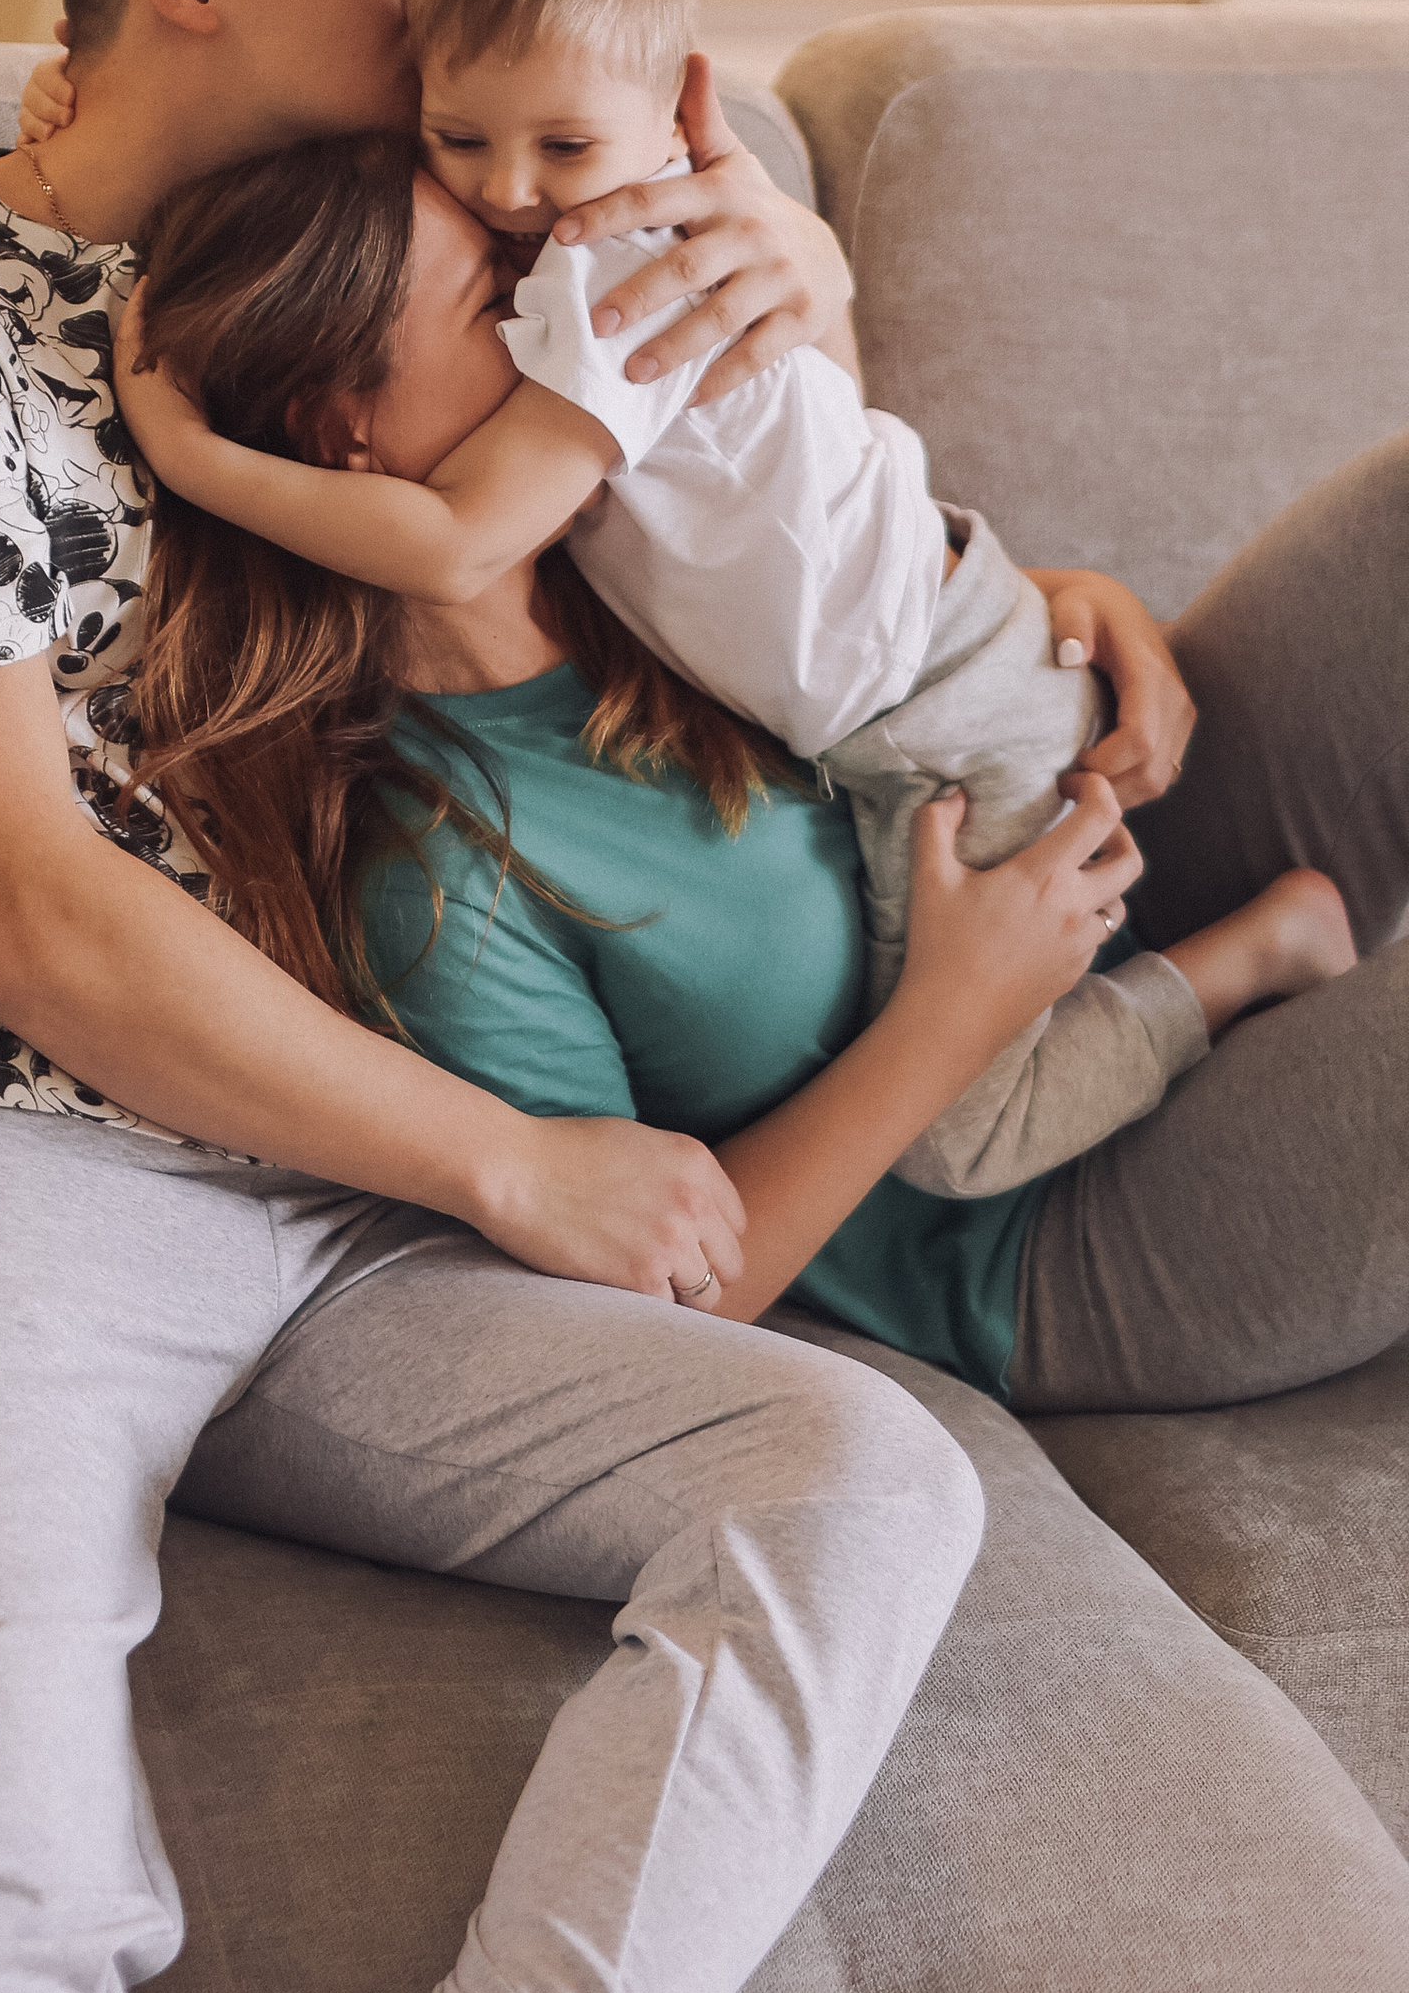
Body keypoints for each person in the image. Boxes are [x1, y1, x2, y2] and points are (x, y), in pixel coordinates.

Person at [0, 0, 1050, 1993]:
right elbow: (20, 922)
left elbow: (735, 530)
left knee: (861, 1479)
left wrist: (978, 551)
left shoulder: (436, 245)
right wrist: (513, 1165)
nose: (444, 6)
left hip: (348, 1203)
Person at [108, 0, 1351, 1199]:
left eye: (561, 153)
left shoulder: (617, 295)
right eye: (458, 148)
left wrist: (192, 453)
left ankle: (1262, 949)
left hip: (968, 698)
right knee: (965, 1139)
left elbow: (637, 499)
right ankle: (1254, 955)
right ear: (335, 423)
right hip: (980, 841)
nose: (515, 206)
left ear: (681, 107)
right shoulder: (448, 861)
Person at [123, 128, 1409, 1423]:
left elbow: (889, 603)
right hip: (1037, 1225)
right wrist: (950, 1016)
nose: (577, 320)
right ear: (342, 432)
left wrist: (1058, 605)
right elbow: (662, 1300)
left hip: (1120, 860)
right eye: (500, 302)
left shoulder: (640, 536)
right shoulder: (441, 872)